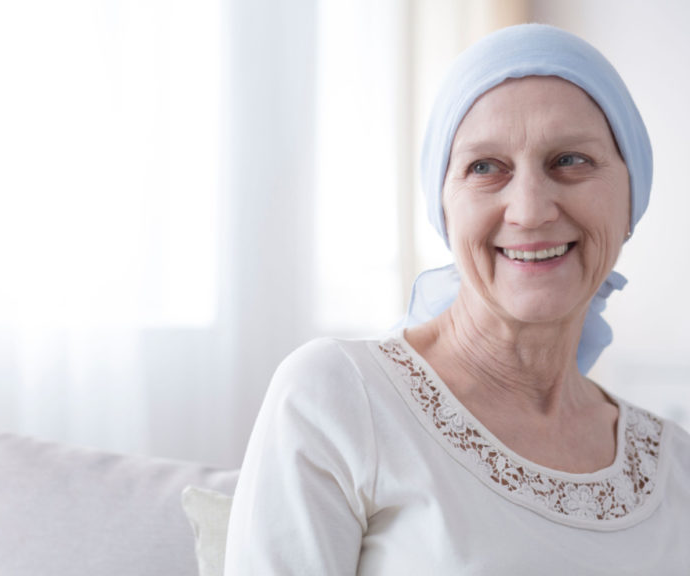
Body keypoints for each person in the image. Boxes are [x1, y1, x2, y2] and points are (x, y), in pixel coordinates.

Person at [224, 24, 690, 574]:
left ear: (632, 197)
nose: (530, 211)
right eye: (485, 168)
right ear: (443, 208)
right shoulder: (337, 398)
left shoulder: (675, 465)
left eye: (570, 160)